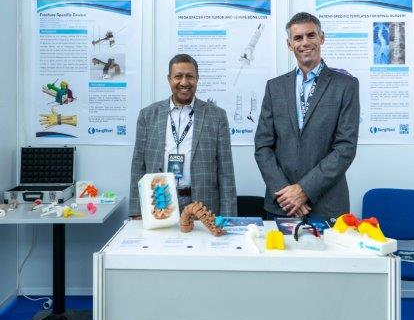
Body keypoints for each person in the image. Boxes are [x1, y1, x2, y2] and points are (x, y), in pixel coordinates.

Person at [255, 12, 359, 220]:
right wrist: (287, 193)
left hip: (327, 204)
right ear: (289, 44)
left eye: (311, 35)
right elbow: (263, 146)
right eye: (298, 38)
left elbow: (345, 148)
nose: (305, 43)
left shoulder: (346, 85)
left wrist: (304, 190)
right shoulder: (275, 87)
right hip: (282, 204)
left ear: (322, 38)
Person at [129, 54, 237, 217]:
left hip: (203, 206)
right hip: (159, 204)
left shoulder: (217, 116)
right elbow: (138, 166)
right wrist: (137, 212)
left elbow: (226, 171)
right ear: (169, 79)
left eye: (190, 76)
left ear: (197, 79)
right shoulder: (148, 115)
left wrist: (228, 217)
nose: (184, 82)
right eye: (178, 76)